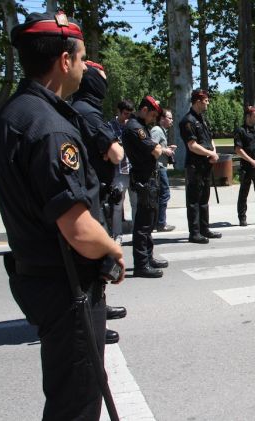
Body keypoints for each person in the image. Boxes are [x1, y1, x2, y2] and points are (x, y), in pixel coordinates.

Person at [0, 12, 125, 419]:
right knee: (77, 403)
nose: (84, 67)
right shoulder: (51, 128)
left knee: (67, 395)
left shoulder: (13, 114)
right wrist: (114, 248)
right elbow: (79, 229)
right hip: (68, 286)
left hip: (40, 278)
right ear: (64, 61)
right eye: (82, 58)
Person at [72, 60, 127, 345]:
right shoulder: (87, 113)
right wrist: (109, 150)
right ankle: (93, 320)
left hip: (96, 192)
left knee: (97, 263)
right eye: (102, 79)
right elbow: (116, 153)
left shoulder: (83, 109)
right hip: (91, 195)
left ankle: (99, 309)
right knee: (95, 261)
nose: (105, 84)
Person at [123, 95, 168, 278]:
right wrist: (157, 149)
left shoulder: (141, 126)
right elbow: (157, 150)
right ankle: (142, 263)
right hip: (144, 179)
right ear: (144, 110)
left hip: (148, 179)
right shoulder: (135, 128)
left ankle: (148, 257)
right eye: (151, 115)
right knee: (143, 224)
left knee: (149, 222)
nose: (153, 119)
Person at [180, 89, 222, 243]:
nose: (208, 103)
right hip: (195, 166)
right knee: (194, 201)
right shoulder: (187, 121)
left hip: (206, 164)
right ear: (198, 101)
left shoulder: (203, 119)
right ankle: (195, 233)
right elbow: (192, 145)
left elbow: (210, 139)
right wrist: (209, 154)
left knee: (204, 199)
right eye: (206, 100)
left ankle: (205, 229)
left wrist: (213, 152)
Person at [108, 99, 134, 243]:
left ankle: (138, 234)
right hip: (119, 170)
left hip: (133, 170)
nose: (127, 117)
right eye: (125, 113)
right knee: (117, 205)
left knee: (136, 203)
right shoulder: (110, 126)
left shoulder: (132, 125)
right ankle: (117, 235)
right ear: (118, 111)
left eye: (130, 114)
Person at [150, 108, 176, 232]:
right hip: (158, 167)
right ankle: (160, 223)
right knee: (164, 194)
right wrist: (166, 150)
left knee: (161, 195)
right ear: (162, 119)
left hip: (161, 166)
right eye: (169, 118)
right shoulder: (156, 130)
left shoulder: (161, 131)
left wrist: (167, 148)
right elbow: (151, 146)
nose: (172, 120)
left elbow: (158, 146)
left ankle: (158, 222)